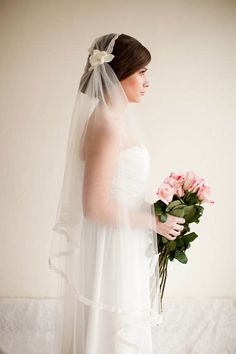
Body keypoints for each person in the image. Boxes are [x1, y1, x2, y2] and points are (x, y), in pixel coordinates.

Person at [49, 33, 185, 354]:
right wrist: (155, 222)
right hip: (113, 246)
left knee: (117, 327)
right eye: (141, 72)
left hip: (121, 240)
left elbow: (118, 189)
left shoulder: (110, 120)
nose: (147, 82)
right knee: (114, 329)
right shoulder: (108, 125)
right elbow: (94, 207)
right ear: (118, 73)